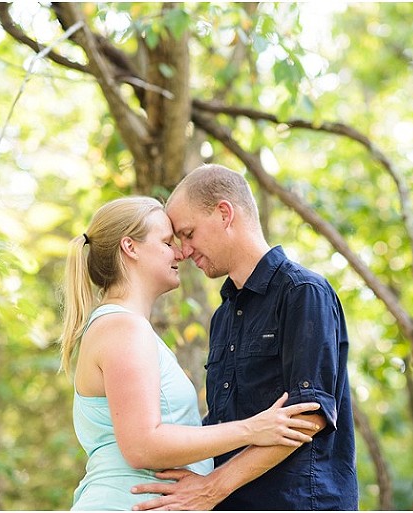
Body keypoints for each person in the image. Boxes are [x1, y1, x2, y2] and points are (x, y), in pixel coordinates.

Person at [59, 196, 322, 511]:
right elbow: (142, 446)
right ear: (130, 247)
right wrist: (253, 428)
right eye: (167, 242)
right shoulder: (123, 328)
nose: (181, 253)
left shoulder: (121, 326)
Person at [131, 165, 359, 510]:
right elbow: (224, 423)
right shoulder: (223, 316)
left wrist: (211, 488)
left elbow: (308, 415)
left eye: (189, 233)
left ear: (224, 213)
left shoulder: (302, 292)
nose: (184, 250)